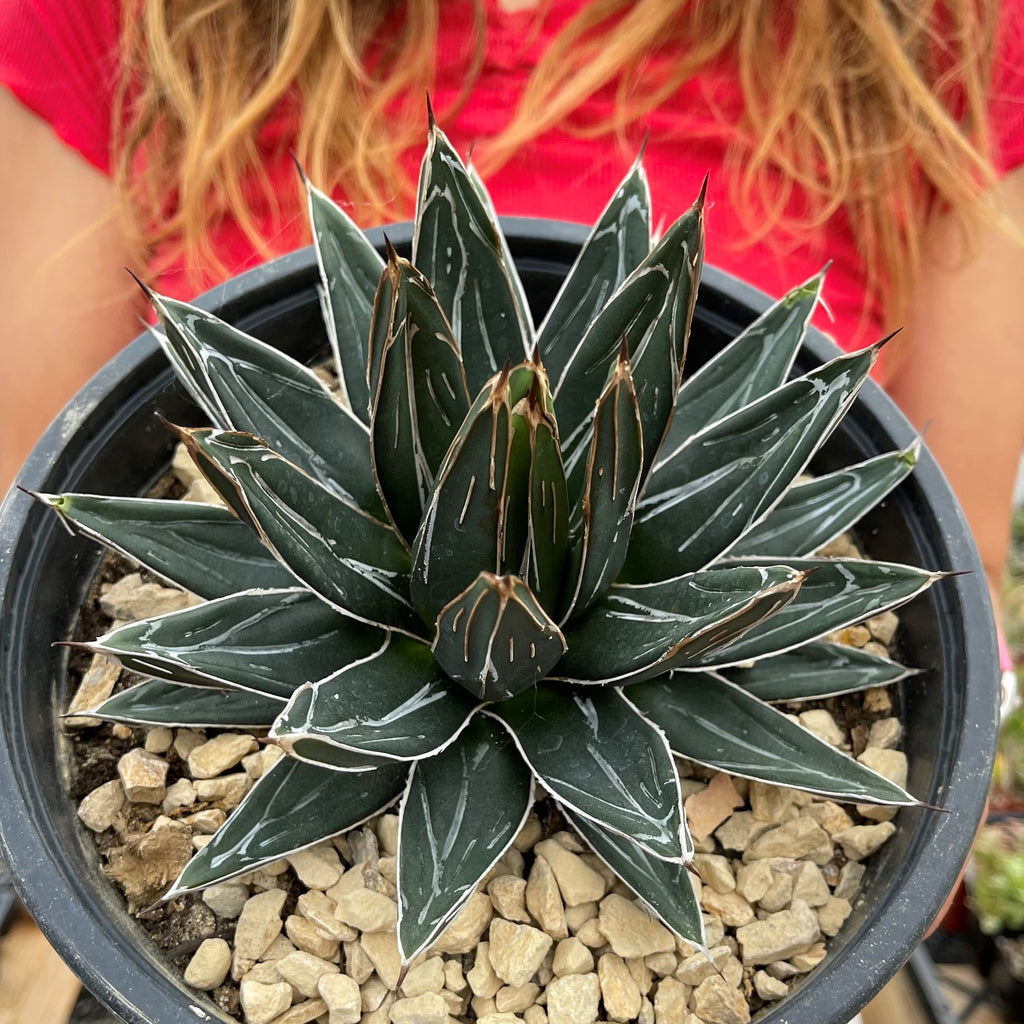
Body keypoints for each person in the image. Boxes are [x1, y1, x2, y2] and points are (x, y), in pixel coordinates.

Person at [1, 0, 1023, 613]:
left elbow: (941, 557)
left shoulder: (945, 29)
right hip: (282, 645)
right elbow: (43, 513)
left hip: (708, 648)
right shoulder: (133, 19)